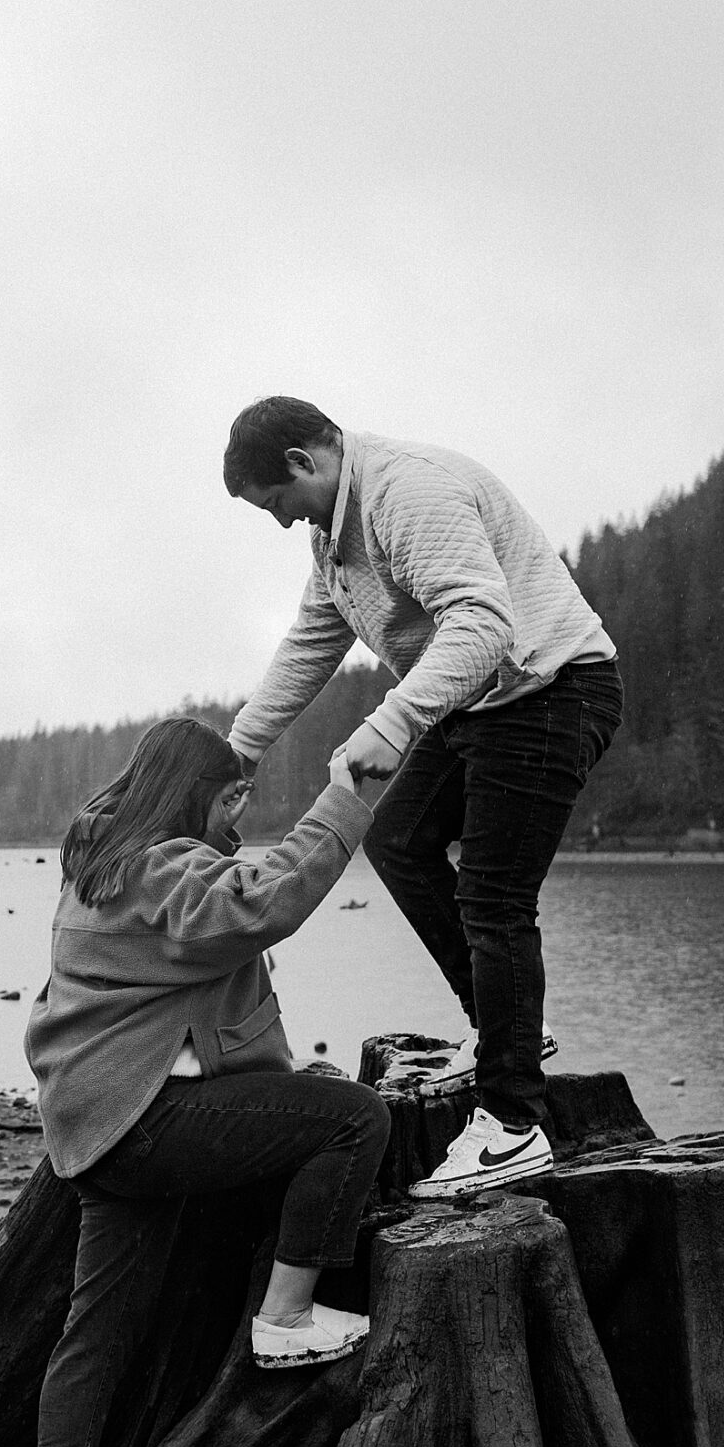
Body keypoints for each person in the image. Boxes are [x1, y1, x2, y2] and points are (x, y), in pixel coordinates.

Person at [222, 397, 623, 1199]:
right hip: (480, 701)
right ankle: (507, 1029)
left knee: (494, 898)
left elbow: (482, 623)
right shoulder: (331, 537)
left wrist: (394, 720)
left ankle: (512, 1125)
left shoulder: (407, 491)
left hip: (550, 689)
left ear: (304, 462)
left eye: (275, 503)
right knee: (397, 840)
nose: (280, 521)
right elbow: (310, 646)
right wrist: (238, 752)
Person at [24, 715, 388, 1447]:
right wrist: (345, 798)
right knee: (355, 1118)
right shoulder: (159, 870)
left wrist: (283, 1080)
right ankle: (286, 1317)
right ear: (194, 795)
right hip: (144, 1120)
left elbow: (187, 1001)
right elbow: (260, 902)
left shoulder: (102, 862)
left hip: (97, 1130)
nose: (237, 817)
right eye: (229, 800)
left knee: (94, 1336)